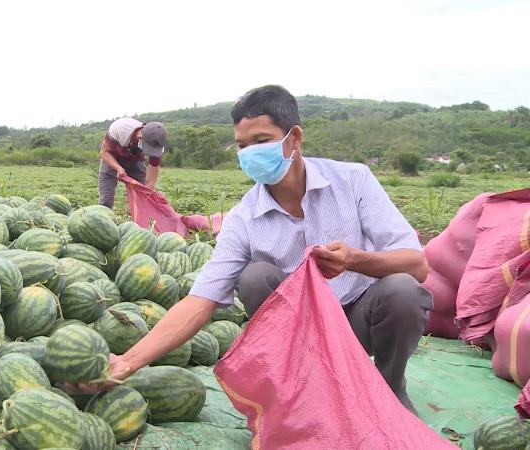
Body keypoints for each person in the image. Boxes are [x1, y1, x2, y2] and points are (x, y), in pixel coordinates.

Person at [78, 85, 432, 414]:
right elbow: (200, 301)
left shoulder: (353, 180)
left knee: (402, 290)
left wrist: (356, 259)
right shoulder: (244, 217)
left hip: (360, 319)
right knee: (255, 277)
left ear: (294, 139)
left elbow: (417, 265)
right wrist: (128, 360)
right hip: (301, 332)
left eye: (261, 140)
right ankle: (301, 384)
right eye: (242, 145)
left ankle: (390, 387)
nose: (250, 154)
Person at [98, 117, 167, 209]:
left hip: (135, 160)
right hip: (111, 158)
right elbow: (104, 152)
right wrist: (118, 168)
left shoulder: (157, 144)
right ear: (140, 137)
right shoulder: (120, 129)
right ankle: (104, 216)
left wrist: (150, 194)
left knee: (143, 193)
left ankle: (143, 218)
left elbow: (150, 181)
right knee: (106, 198)